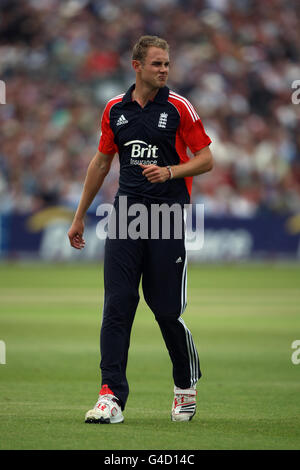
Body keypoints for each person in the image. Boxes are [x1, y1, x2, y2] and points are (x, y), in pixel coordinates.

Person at [68, 35, 213, 423]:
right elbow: (100, 163)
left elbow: (206, 159)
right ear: (137, 66)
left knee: (166, 311)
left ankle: (185, 383)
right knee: (117, 305)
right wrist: (80, 214)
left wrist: (170, 171)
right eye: (157, 64)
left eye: (167, 64)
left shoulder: (180, 107)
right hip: (125, 217)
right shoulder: (115, 109)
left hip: (166, 219)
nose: (164, 70)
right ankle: (110, 396)